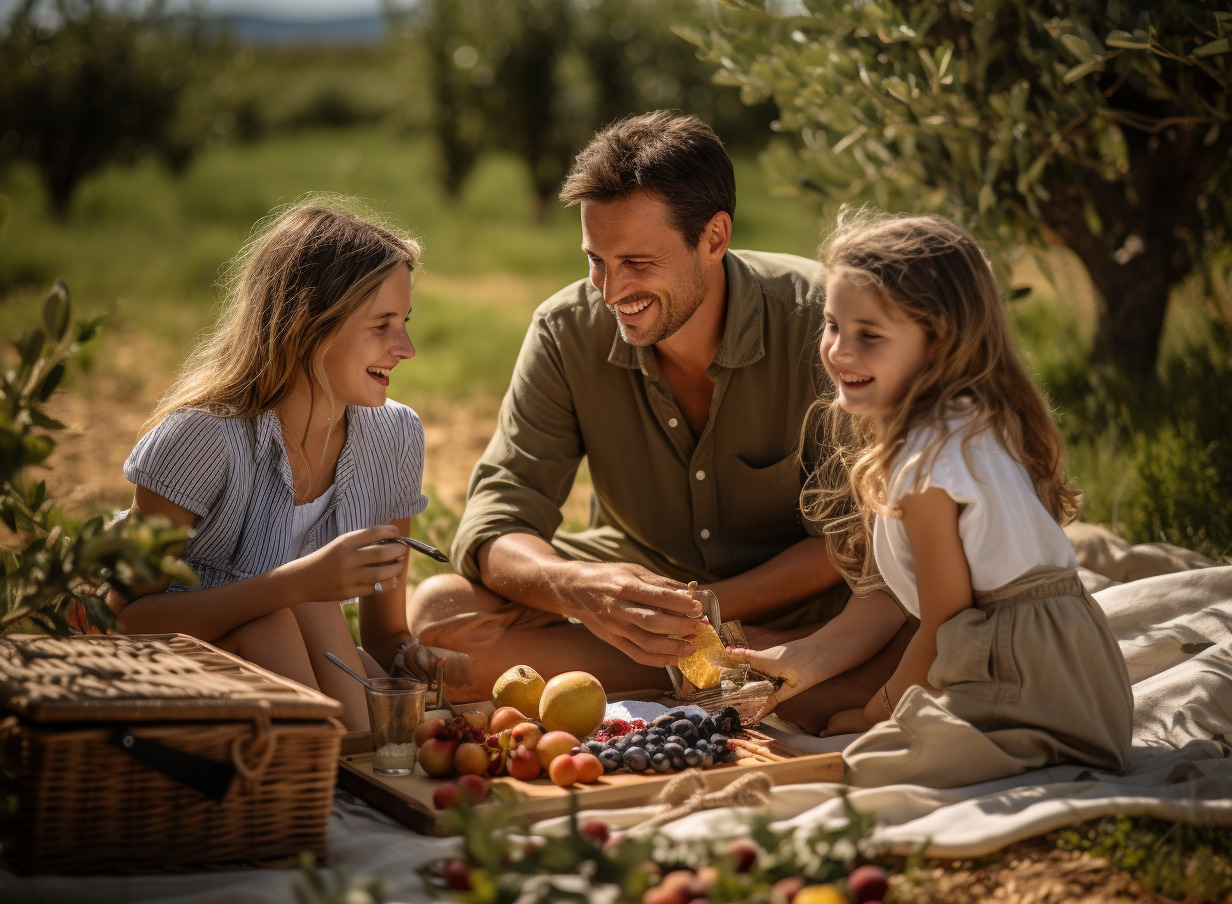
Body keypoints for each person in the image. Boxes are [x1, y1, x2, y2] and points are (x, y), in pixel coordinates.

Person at [407, 111, 914, 724]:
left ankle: (705, 681)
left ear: (714, 238)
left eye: (638, 264)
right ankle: (732, 688)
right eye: (597, 260)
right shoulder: (565, 331)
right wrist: (580, 590)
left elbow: (859, 537)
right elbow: (499, 517)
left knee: (920, 626)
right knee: (441, 615)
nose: (610, 289)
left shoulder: (824, 325)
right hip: (635, 603)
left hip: (802, 613)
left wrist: (707, 609)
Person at [731, 211, 1133, 787]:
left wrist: (876, 715)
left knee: (843, 773)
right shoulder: (973, 418)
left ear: (939, 342)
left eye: (869, 335)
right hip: (1072, 676)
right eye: (831, 325)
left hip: (1030, 689)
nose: (839, 350)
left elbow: (946, 623)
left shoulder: (926, 466)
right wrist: (812, 663)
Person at [109, 196, 462, 731]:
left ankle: (335, 768)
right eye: (382, 323)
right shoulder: (201, 437)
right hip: (165, 675)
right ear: (309, 325)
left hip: (291, 661)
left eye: (405, 320)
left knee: (329, 633)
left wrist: (411, 655)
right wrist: (294, 584)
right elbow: (124, 617)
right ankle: (331, 772)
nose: (406, 346)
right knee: (278, 620)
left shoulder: (395, 436)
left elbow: (383, 633)